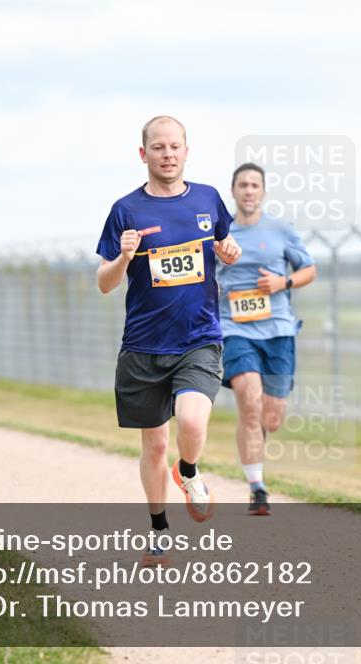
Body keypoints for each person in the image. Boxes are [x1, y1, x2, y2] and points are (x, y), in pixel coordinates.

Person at [96, 116, 242, 566]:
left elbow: (225, 246)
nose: (168, 154)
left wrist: (230, 252)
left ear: (186, 150)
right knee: (154, 445)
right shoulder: (126, 210)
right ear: (144, 154)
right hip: (143, 345)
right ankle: (159, 530)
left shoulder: (208, 198)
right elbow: (104, 283)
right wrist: (123, 256)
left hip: (198, 338)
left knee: (192, 423)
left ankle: (190, 471)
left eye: (175, 146)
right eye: (158, 147)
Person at [217, 163, 316, 515]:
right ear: (233, 190)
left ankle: (254, 438)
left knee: (270, 417)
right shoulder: (219, 231)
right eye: (242, 184)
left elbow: (309, 269)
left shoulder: (280, 230)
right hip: (234, 329)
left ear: (263, 192)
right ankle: (257, 487)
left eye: (254, 185)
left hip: (278, 329)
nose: (248, 190)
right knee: (249, 398)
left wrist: (282, 283)